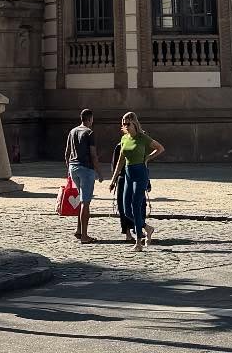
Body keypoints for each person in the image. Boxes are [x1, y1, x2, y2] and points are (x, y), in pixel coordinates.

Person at [108, 111, 163, 251]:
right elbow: (120, 160)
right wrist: (113, 180)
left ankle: (138, 242)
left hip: (140, 174)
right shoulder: (124, 139)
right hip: (128, 174)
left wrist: (147, 158)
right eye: (123, 124)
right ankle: (147, 228)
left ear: (134, 123)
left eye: (127, 123)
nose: (125, 126)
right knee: (126, 210)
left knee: (136, 207)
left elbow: (160, 148)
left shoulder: (142, 137)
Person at [64, 107, 102, 243]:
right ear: (90, 119)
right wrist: (99, 172)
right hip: (86, 169)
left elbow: (67, 153)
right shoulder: (89, 133)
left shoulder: (72, 131)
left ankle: (79, 230)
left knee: (82, 200)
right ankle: (85, 236)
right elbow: (93, 155)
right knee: (86, 202)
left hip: (73, 168)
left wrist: (68, 170)